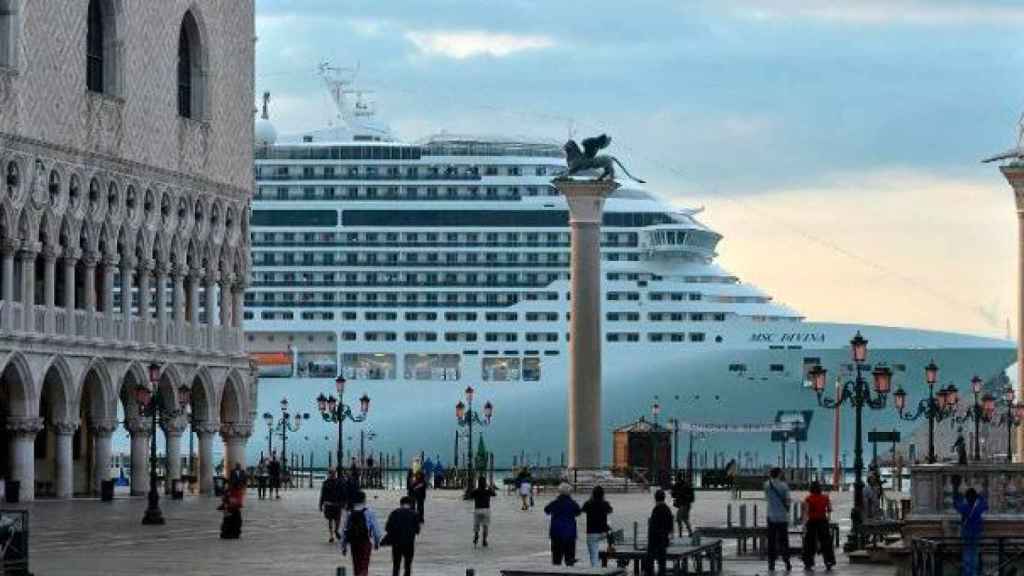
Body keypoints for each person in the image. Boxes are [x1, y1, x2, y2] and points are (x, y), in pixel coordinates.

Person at [341, 490, 382, 576]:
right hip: (365, 542)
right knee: (364, 566)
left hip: (354, 543)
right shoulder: (369, 512)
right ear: (364, 500)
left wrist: (344, 546)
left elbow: (345, 530)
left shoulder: (350, 513)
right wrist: (377, 542)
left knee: (356, 566)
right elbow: (376, 530)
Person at [544, 482, 581, 566]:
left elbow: (546, 510)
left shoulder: (555, 502)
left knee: (556, 558)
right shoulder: (573, 503)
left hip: (556, 532)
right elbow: (578, 512)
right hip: (570, 533)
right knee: (570, 558)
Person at [801, 481, 835, 571]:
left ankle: (808, 562)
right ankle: (828, 560)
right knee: (826, 541)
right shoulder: (825, 497)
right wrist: (828, 518)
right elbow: (830, 509)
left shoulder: (808, 498)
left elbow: (806, 513)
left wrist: (804, 525)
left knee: (809, 542)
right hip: (823, 521)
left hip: (812, 521)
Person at [954, 486, 988, 576]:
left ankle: (967, 573)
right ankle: (974, 573)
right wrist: (979, 496)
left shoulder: (964, 507)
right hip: (977, 532)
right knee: (975, 553)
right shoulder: (978, 508)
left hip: (966, 532)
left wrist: (961, 496)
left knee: (967, 552)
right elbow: (986, 504)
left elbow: (956, 504)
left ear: (967, 497)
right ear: (975, 498)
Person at [764, 467, 792, 572]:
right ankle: (786, 561)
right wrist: (787, 508)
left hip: (771, 516)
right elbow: (788, 501)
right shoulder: (784, 486)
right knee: (784, 540)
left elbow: (767, 498)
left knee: (771, 541)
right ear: (779, 474)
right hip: (782, 518)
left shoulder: (767, 485)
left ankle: (771, 563)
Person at [384, 496, 419, 576]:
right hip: (409, 543)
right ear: (410, 504)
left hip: (396, 543)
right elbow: (417, 531)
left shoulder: (394, 513)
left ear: (401, 504)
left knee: (396, 565)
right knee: (408, 566)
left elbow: (387, 528)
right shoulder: (414, 514)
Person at [581, 485, 613, 567]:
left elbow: (582, 510)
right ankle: (610, 547)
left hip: (592, 533)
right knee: (609, 525)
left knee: (594, 557)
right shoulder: (605, 504)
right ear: (603, 494)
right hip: (603, 532)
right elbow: (610, 510)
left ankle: (596, 569)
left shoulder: (588, 504)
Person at [646, 489, 675, 576]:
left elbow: (653, 527)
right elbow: (670, 526)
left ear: (655, 498)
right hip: (664, 539)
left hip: (655, 540)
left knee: (650, 562)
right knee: (662, 563)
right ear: (664, 498)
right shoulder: (667, 509)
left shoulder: (656, 509)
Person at [220, 463, 247, 539]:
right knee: (231, 519)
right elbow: (226, 498)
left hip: (233, 508)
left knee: (234, 519)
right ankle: (230, 533)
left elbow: (238, 499)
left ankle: (232, 533)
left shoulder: (237, 491)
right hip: (231, 508)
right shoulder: (230, 490)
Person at [470, 476, 497, 547]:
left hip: (477, 509)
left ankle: (476, 535)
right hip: (486, 510)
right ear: (485, 483)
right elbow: (494, 494)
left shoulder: (476, 491)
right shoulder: (488, 491)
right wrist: (489, 486)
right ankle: (484, 540)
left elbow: (470, 495)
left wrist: (473, 487)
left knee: (476, 525)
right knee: (485, 526)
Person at [320, 468, 344, 543]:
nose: (332, 475)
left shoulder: (338, 482)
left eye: (333, 473)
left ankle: (334, 532)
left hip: (335, 504)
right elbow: (323, 494)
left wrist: (321, 504)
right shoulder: (327, 483)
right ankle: (332, 534)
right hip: (331, 504)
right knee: (333, 520)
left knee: (335, 520)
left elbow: (343, 493)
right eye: (331, 473)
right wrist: (321, 504)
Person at [670, 472, 695, 537]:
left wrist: (680, 494)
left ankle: (682, 534)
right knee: (684, 518)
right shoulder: (682, 484)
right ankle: (689, 532)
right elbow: (674, 494)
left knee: (679, 518)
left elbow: (674, 494)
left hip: (684, 504)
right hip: (685, 504)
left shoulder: (685, 485)